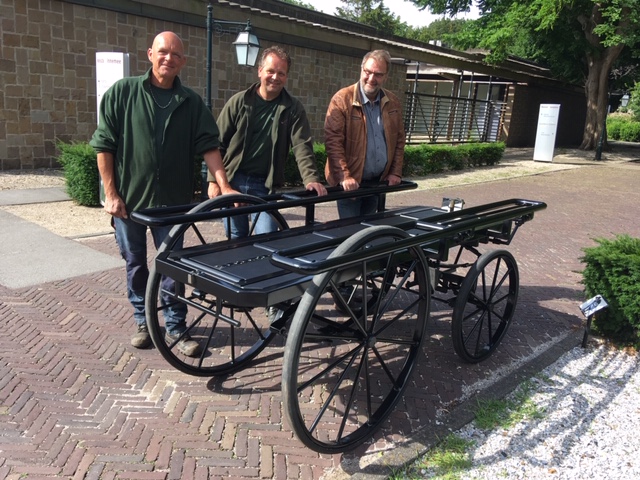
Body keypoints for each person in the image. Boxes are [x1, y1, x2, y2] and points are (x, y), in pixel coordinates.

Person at [90, 31, 237, 356]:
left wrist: (224, 185)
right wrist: (111, 194)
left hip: (173, 204)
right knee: (135, 263)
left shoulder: (191, 102)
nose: (168, 58)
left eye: (175, 54)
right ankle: (143, 321)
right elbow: (104, 145)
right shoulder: (123, 93)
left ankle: (175, 326)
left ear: (183, 61)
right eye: (162, 52)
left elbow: (209, 146)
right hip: (129, 203)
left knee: (172, 266)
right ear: (150, 54)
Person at [207, 45, 327, 238]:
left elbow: (301, 145)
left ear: (286, 77)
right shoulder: (239, 102)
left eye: (281, 73)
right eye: (271, 71)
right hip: (233, 180)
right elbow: (216, 143)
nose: (275, 77)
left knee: (268, 237)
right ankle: (239, 268)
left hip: (264, 185)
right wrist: (214, 181)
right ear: (260, 71)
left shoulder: (293, 109)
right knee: (235, 238)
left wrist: (311, 178)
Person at [324, 49, 405, 219]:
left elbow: (398, 139)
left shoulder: (392, 102)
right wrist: (344, 176)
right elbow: (333, 141)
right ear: (361, 69)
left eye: (378, 74)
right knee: (351, 234)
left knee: (369, 232)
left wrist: (395, 172)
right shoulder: (342, 99)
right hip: (351, 184)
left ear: (386, 76)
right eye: (367, 72)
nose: (371, 78)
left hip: (378, 183)